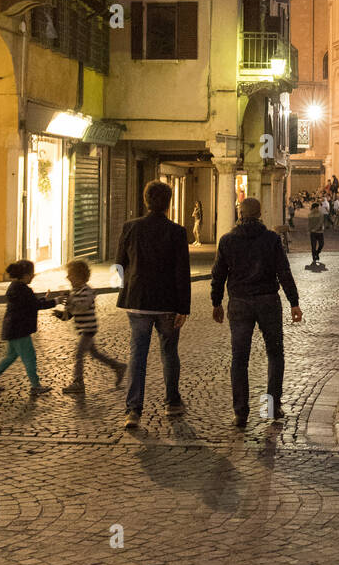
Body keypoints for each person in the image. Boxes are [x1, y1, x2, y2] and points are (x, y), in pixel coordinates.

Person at [210, 197, 303, 429]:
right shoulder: (271, 239)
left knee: (239, 358)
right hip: (268, 301)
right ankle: (271, 407)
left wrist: (216, 302)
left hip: (239, 303)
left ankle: (240, 413)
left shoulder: (228, 240)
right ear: (260, 214)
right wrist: (294, 302)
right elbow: (284, 271)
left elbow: (218, 274)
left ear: (240, 213)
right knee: (275, 353)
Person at [115, 179, 191, 430]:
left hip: (138, 302)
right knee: (169, 352)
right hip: (168, 303)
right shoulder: (177, 232)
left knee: (138, 354)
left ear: (145, 200)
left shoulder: (130, 228)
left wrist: (124, 288)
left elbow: (119, 265)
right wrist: (184, 308)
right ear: (169, 203)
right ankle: (172, 402)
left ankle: (133, 410)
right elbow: (182, 272)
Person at [57, 259, 126, 396]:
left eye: (71, 275)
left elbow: (82, 307)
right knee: (96, 354)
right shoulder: (74, 291)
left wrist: (70, 302)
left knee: (78, 355)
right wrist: (61, 314)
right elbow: (70, 314)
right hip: (83, 329)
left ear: (80, 277)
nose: (68, 277)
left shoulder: (87, 291)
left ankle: (78, 382)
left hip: (88, 330)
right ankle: (118, 366)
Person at [0, 260, 56, 396]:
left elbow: (31, 304)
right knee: (29, 357)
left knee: (9, 356)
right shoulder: (24, 290)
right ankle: (35, 386)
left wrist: (44, 298)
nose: (33, 277)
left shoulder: (14, 287)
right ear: (25, 275)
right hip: (20, 330)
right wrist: (55, 301)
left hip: (11, 328)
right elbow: (35, 305)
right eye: (32, 274)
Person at [307, 202, 325, 267]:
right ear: (314, 208)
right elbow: (309, 223)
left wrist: (315, 229)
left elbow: (320, 222)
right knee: (313, 246)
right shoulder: (310, 214)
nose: (318, 208)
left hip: (320, 232)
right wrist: (309, 230)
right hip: (313, 233)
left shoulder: (321, 214)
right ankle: (314, 257)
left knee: (321, 244)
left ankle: (317, 253)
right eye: (317, 207)